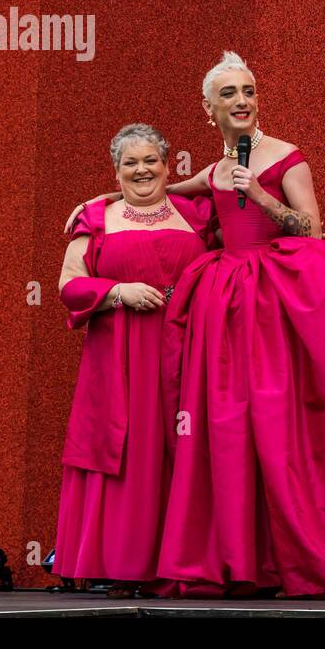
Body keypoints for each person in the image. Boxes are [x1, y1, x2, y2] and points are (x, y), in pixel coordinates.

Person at [65, 51, 325, 598]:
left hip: (283, 293)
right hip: (229, 301)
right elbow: (162, 193)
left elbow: (312, 231)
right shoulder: (216, 169)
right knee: (231, 425)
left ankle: (313, 553)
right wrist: (101, 200)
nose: (242, 101)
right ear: (209, 110)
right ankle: (244, 560)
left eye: (248, 91)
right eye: (229, 94)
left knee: (289, 420)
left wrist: (257, 194)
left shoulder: (284, 158)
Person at [55, 124, 218, 595]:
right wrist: (115, 291)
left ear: (169, 166)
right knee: (129, 447)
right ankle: (125, 563)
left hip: (188, 347)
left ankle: (187, 562)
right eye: (130, 163)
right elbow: (69, 284)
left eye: (151, 160)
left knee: (185, 444)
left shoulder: (198, 214)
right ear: (116, 169)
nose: (142, 169)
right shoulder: (97, 219)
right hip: (122, 350)